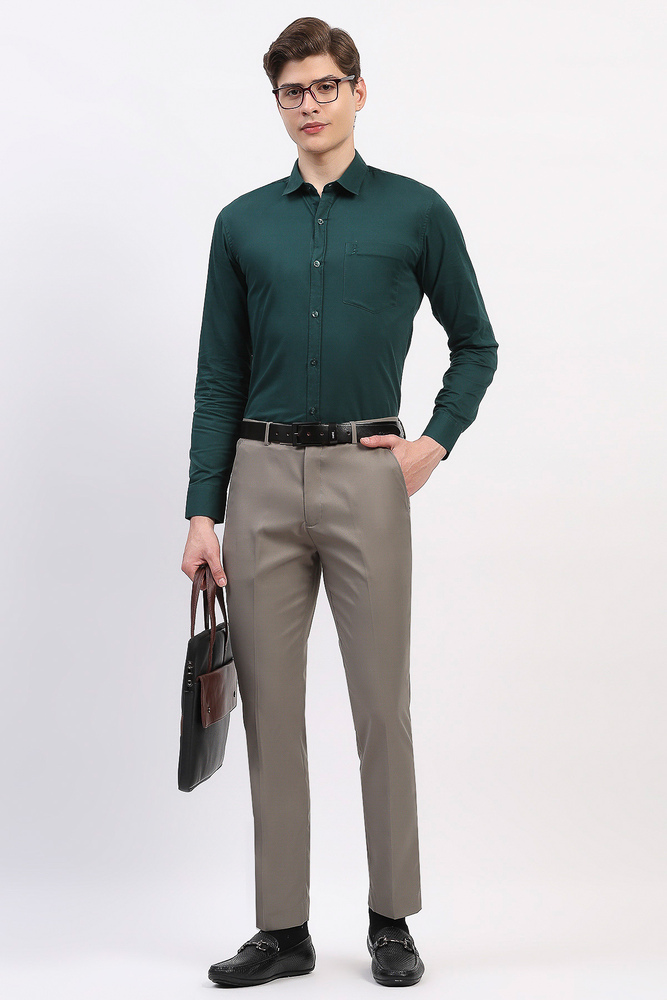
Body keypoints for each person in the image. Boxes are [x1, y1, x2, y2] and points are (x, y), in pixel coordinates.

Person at [181, 16, 498, 989]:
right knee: (272, 714)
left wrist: (432, 443)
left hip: (369, 474)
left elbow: (475, 343)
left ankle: (390, 919)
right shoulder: (242, 223)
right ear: (276, 102)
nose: (309, 105)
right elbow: (218, 375)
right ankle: (283, 930)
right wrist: (202, 510)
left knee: (380, 707)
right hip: (260, 478)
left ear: (359, 91)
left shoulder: (416, 212)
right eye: (292, 91)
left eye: (325, 86)